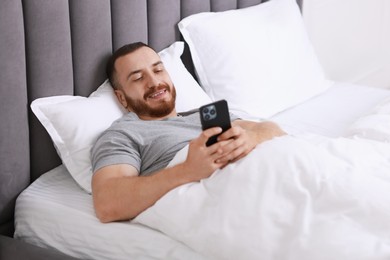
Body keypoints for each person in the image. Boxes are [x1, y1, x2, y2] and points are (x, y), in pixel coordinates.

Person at [91, 42, 286, 223]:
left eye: (158, 69)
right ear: (121, 98)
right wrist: (187, 170)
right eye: (138, 78)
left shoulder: (204, 115)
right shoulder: (122, 134)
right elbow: (106, 204)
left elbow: (274, 130)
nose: (154, 81)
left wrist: (251, 138)